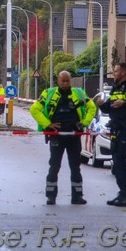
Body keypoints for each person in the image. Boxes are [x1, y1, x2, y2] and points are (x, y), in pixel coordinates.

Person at [30, 71, 96, 205]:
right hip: (56, 136)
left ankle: (77, 196)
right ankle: (51, 196)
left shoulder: (79, 93)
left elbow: (92, 107)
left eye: (67, 81)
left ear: (70, 80)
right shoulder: (48, 93)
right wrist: (48, 124)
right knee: (54, 166)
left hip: (74, 135)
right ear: (58, 81)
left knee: (75, 166)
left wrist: (84, 122)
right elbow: (34, 109)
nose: (65, 83)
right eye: (63, 81)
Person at [96, 62, 126, 207]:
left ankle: (124, 194)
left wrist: (124, 103)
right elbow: (109, 109)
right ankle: (122, 194)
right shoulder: (115, 88)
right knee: (116, 162)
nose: (114, 73)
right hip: (115, 128)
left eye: (115, 70)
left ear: (123, 72)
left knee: (120, 160)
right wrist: (102, 104)